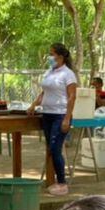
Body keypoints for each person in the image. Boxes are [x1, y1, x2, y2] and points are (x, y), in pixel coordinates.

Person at [27, 43, 78, 196]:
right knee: (50, 147)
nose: (50, 57)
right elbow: (44, 92)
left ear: (61, 57)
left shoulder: (68, 74)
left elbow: (72, 96)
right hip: (47, 114)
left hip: (60, 114)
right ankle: (55, 180)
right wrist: (34, 105)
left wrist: (67, 118)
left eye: (52, 54)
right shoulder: (49, 72)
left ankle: (62, 182)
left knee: (56, 148)